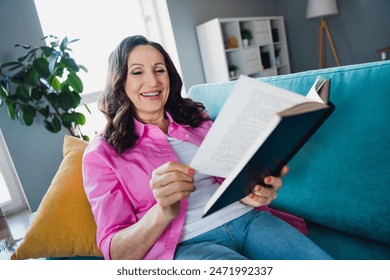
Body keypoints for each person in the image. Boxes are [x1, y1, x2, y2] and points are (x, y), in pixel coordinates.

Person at [82, 35, 332, 260]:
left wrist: (254, 190)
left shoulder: (197, 120)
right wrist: (163, 211)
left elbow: (234, 178)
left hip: (249, 219)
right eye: (137, 72)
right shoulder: (101, 154)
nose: (153, 81)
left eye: (160, 70)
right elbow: (116, 253)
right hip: (187, 245)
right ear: (119, 81)